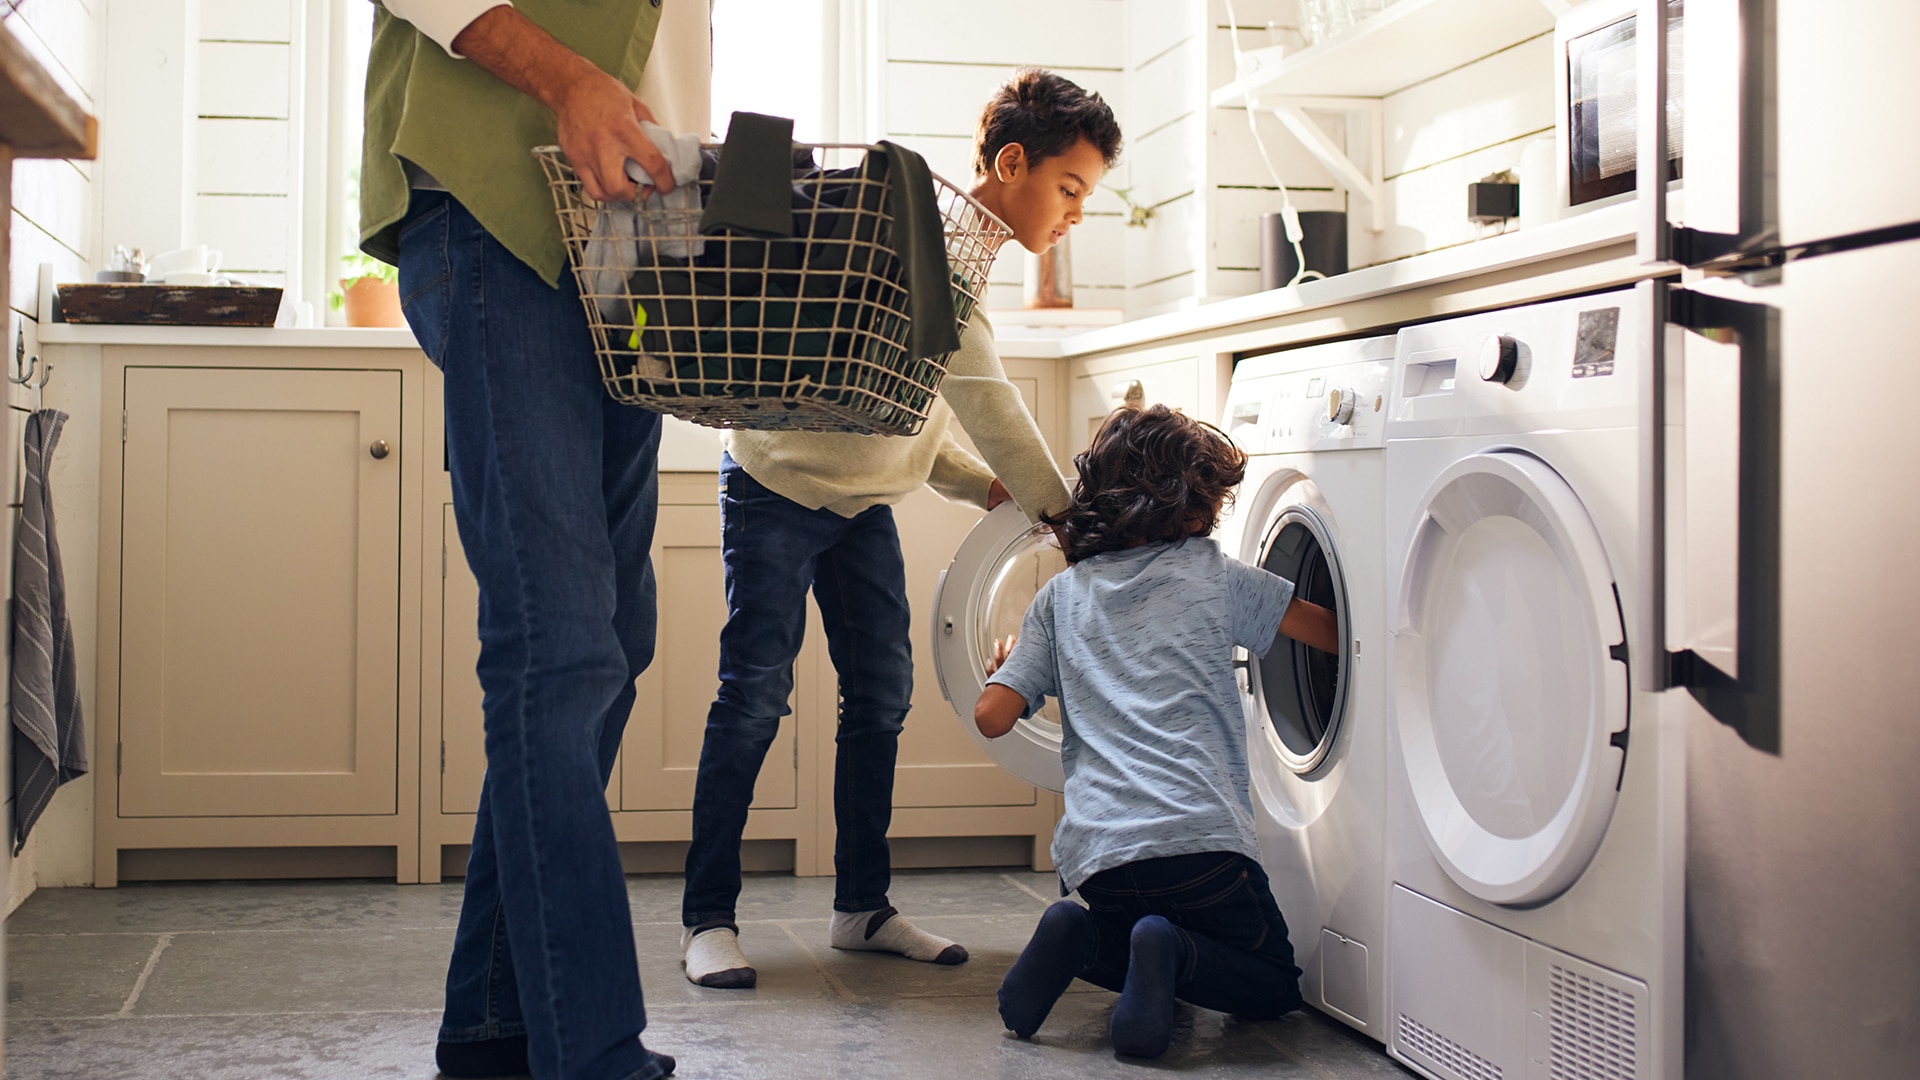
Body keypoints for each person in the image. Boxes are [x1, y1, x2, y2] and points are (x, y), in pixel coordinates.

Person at [677, 69, 1124, 990]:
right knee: (754, 693)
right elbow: (984, 396)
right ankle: (707, 918)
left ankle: (861, 909)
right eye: (1070, 188)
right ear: (1012, 164)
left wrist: (976, 485)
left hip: (862, 502)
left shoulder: (963, 256)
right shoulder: (935, 242)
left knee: (879, 694)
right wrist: (1060, 513)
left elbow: (908, 407)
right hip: (778, 483)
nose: (1076, 212)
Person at [362, 3, 711, 1078]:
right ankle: (592, 1052)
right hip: (494, 212)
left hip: (625, 237)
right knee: (559, 649)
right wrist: (567, 81)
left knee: (607, 647)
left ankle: (493, 1027)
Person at [976, 403, 1340, 1059]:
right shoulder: (1211, 575)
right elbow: (1331, 634)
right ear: (1194, 511)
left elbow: (992, 716)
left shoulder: (1059, 597)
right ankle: (1166, 947)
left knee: (1131, 925)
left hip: (1100, 862)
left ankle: (1077, 935)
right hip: (1202, 850)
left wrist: (1010, 670)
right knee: (1272, 984)